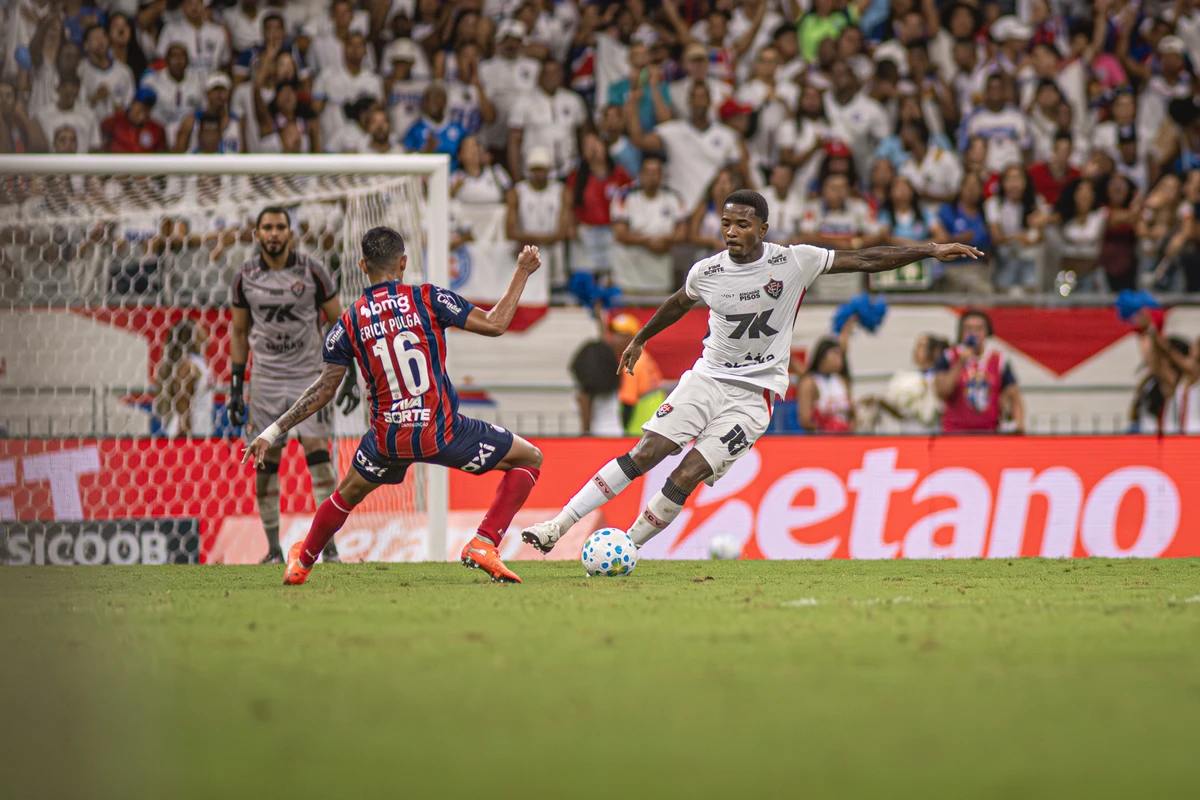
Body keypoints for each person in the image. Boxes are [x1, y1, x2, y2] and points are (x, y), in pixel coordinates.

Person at [520, 190, 983, 555]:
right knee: (646, 452)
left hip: (753, 397)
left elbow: (863, 259)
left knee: (687, 475)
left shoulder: (793, 260)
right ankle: (557, 525)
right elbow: (678, 303)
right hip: (707, 379)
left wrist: (929, 249)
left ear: (763, 227)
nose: (731, 232)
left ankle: (628, 546)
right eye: (725, 224)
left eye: (742, 224)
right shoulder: (707, 272)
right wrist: (641, 338)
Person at [243, 231, 546, 585]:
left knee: (346, 495)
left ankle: (302, 563)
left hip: (387, 441)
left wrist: (272, 430)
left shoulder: (350, 320)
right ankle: (484, 542)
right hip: (443, 433)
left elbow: (324, 389)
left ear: (362, 267)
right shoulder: (428, 298)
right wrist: (523, 271)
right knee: (529, 459)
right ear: (403, 263)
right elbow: (496, 323)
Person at [228, 207, 361, 565]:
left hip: (310, 377)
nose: (273, 233)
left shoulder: (313, 270)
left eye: (280, 227)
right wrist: (236, 386)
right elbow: (239, 331)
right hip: (266, 381)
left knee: (317, 452)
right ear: (256, 233)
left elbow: (340, 323)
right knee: (266, 457)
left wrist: (347, 376)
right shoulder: (244, 277)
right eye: (267, 227)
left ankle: (328, 546)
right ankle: (272, 548)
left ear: (290, 233)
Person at [934, 309, 1025, 434]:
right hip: (955, 431)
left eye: (978, 329)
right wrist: (960, 363)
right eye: (969, 329)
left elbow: (1014, 396)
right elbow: (942, 391)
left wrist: (1019, 425)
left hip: (989, 432)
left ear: (987, 332)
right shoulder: (949, 357)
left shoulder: (999, 360)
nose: (974, 333)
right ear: (961, 332)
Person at [609, 155, 689, 295]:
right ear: (639, 174)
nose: (652, 176)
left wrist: (664, 241)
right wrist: (648, 241)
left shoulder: (674, 198)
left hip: (660, 279)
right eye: (648, 172)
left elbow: (682, 235)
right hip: (628, 278)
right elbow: (620, 234)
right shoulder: (624, 196)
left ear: (662, 175)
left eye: (656, 172)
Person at [798, 332, 854, 433]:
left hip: (844, 437)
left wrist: (849, 427)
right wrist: (826, 428)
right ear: (822, 358)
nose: (840, 360)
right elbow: (805, 419)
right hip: (821, 438)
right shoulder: (810, 382)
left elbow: (852, 413)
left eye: (841, 356)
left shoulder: (842, 381)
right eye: (835, 355)